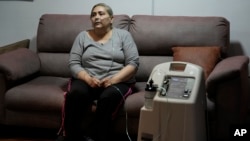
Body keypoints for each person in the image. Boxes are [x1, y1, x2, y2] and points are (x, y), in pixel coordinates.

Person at [57, 3, 139, 141]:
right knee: (76, 94)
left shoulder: (124, 36)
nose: (96, 17)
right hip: (86, 78)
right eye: (93, 15)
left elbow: (133, 63)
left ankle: (95, 136)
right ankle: (69, 136)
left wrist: (113, 80)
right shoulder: (82, 36)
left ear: (111, 18)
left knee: (108, 97)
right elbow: (74, 63)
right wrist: (88, 79)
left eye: (101, 14)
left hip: (117, 80)